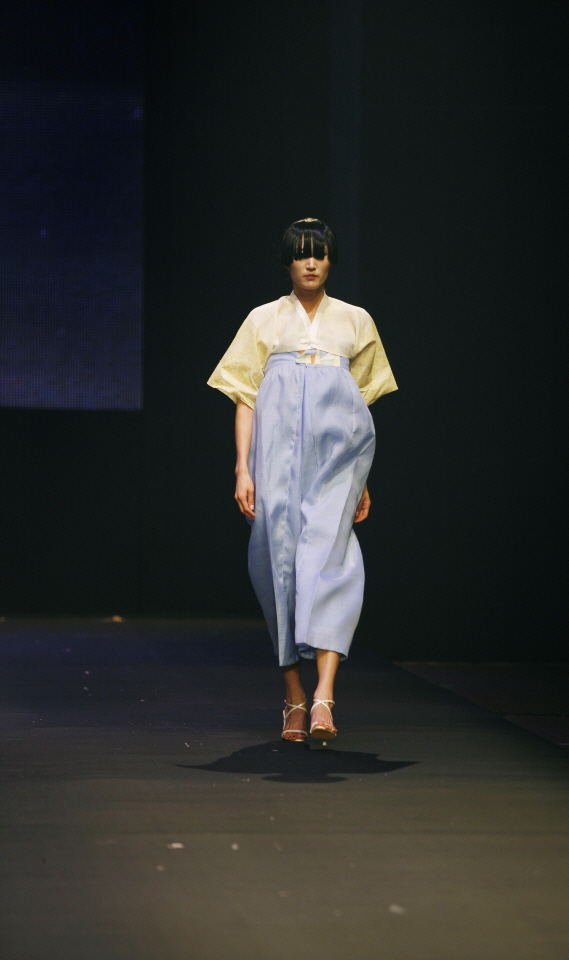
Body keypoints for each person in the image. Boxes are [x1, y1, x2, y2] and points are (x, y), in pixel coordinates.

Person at [208, 218, 397, 741]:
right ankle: (293, 695)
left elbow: (360, 405)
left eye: (320, 253)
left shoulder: (355, 320)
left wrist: (360, 478)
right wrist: (243, 467)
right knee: (277, 563)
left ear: (332, 261)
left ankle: (323, 698)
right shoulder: (263, 319)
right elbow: (244, 396)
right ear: (287, 262)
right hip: (275, 457)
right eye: (300, 253)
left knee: (331, 559)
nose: (311, 262)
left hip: (337, 460)